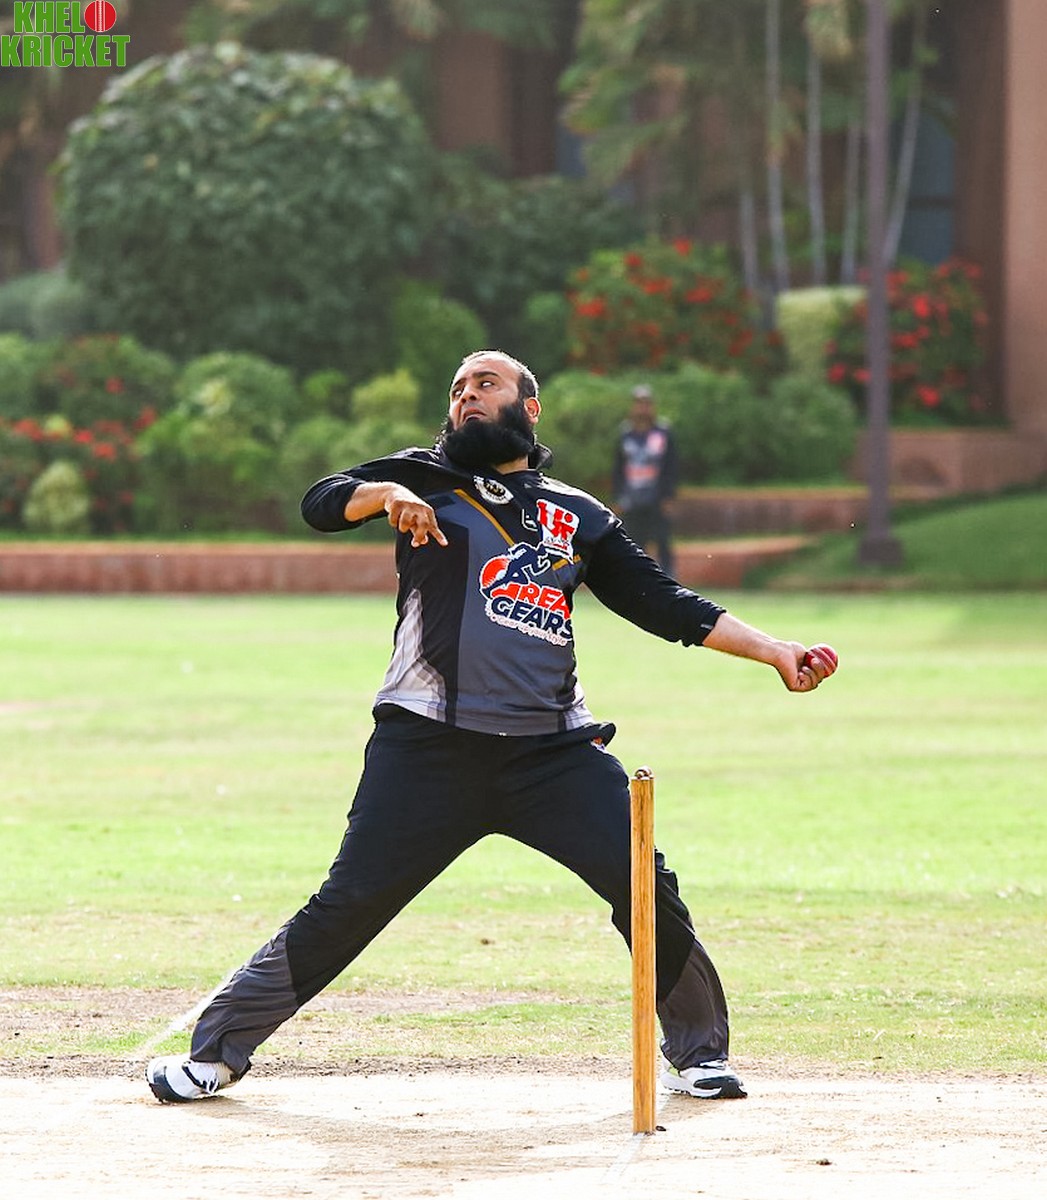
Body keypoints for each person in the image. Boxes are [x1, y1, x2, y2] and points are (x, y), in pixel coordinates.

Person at [146, 349, 837, 1106]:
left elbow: (662, 602)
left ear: (527, 408)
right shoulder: (421, 476)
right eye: (457, 389)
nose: (466, 396)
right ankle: (216, 1053)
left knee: (643, 883)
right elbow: (322, 501)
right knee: (347, 906)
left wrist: (774, 650)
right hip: (427, 747)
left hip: (553, 755)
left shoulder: (577, 514)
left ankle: (699, 1053)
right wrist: (386, 495)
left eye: (485, 383)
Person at [612, 384, 678, 574]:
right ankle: (638, 578)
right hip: (632, 499)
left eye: (646, 404)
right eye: (639, 404)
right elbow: (618, 468)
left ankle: (669, 578)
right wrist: (618, 497)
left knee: (662, 540)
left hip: (657, 497)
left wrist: (669, 495)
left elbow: (671, 466)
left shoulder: (663, 433)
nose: (642, 409)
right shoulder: (625, 434)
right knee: (634, 542)